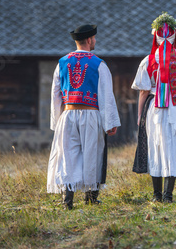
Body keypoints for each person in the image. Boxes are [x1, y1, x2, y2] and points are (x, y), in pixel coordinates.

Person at [47, 24, 121, 210]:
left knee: (68, 156)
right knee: (92, 154)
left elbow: (55, 94)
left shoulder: (62, 63)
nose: (94, 41)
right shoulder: (98, 64)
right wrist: (109, 122)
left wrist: (57, 120)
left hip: (68, 114)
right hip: (91, 114)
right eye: (94, 39)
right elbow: (106, 95)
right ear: (89, 40)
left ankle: (67, 201)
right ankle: (90, 198)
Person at [131, 12, 176, 203]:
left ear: (156, 37)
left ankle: (156, 195)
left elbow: (143, 92)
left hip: (155, 110)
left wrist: (139, 116)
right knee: (172, 147)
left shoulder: (148, 61)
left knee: (156, 147)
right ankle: (168, 196)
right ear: (175, 36)